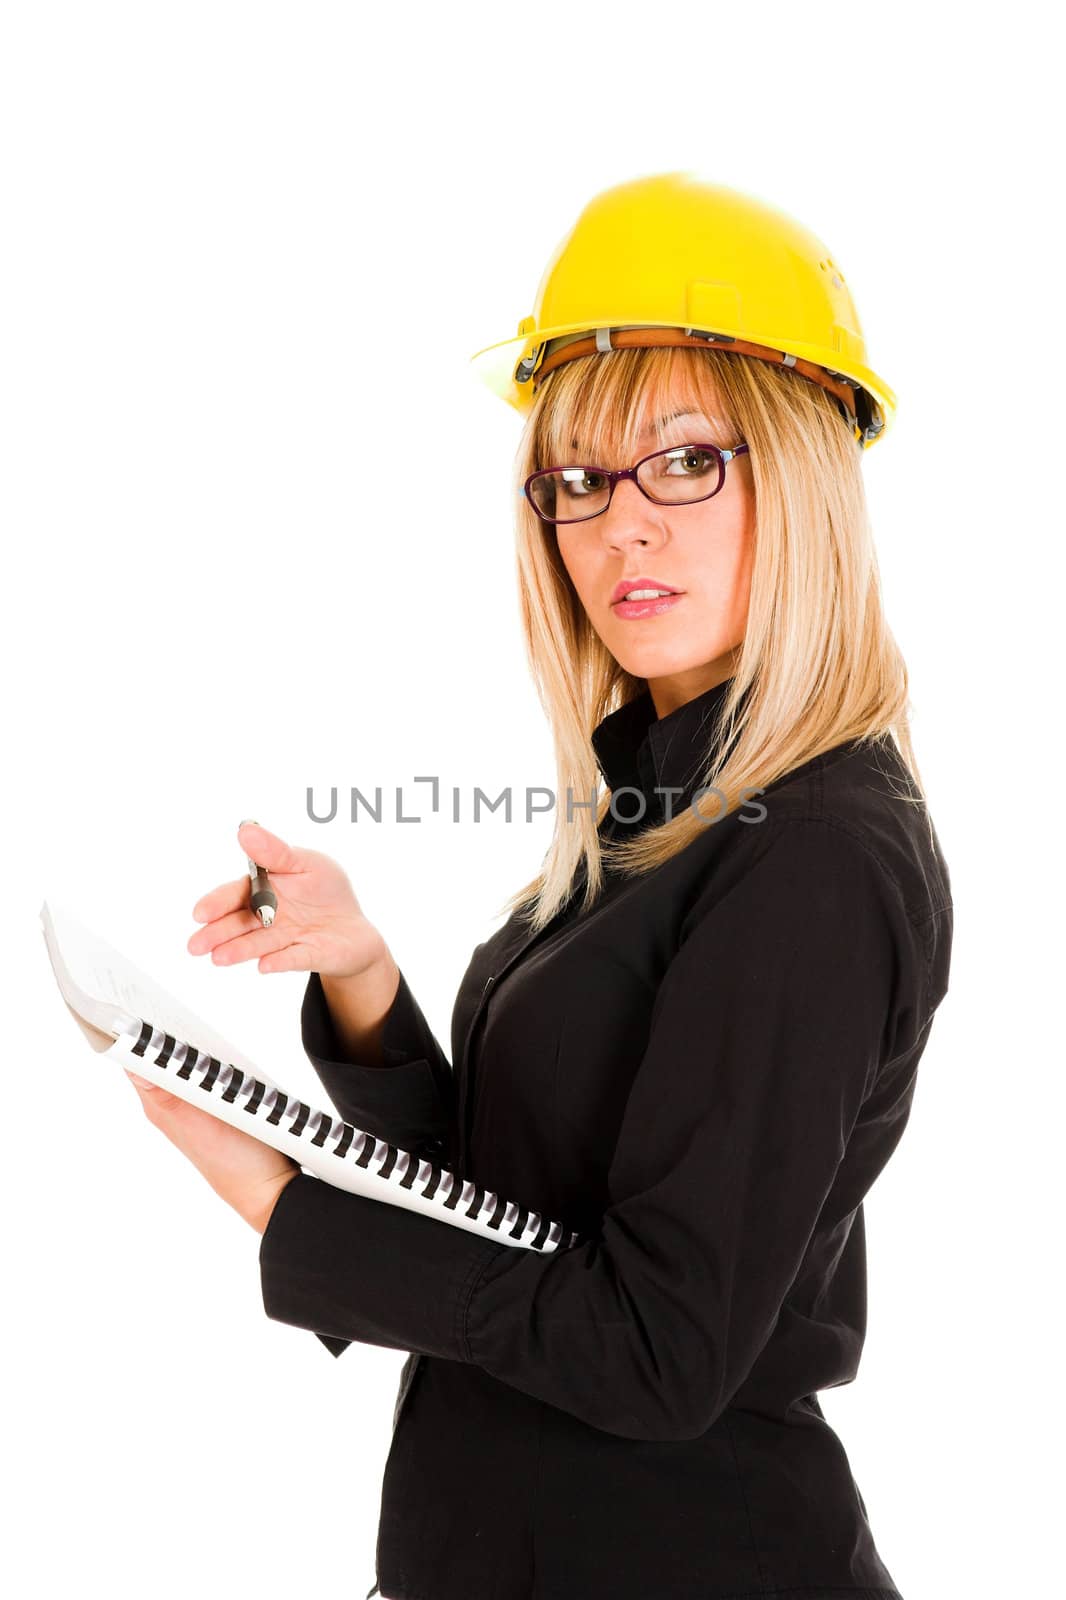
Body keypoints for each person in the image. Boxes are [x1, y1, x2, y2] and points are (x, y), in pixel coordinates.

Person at [128, 173, 953, 1600]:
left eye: (686, 459)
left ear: (804, 472)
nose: (620, 526)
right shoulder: (659, 803)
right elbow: (525, 1212)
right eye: (578, 479)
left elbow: (654, 1351)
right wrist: (364, 984)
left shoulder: (812, 853)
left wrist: (285, 1209)